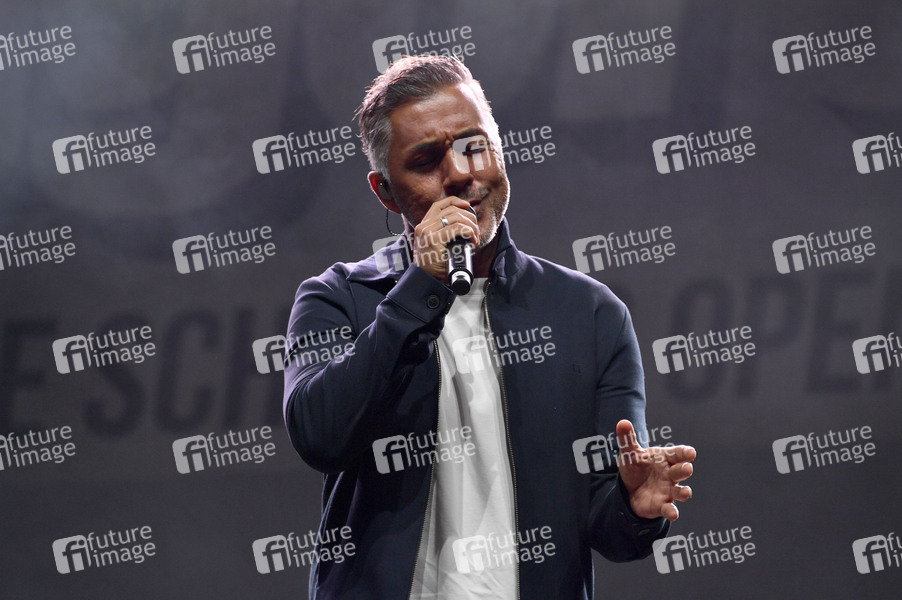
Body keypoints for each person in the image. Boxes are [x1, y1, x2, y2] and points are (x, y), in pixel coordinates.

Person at [283, 55, 695, 599]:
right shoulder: (338, 298)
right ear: (385, 191)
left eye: (474, 146)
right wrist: (418, 291)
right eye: (426, 160)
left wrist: (635, 506)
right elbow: (320, 436)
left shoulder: (590, 313)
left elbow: (609, 529)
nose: (459, 174)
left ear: (499, 150)